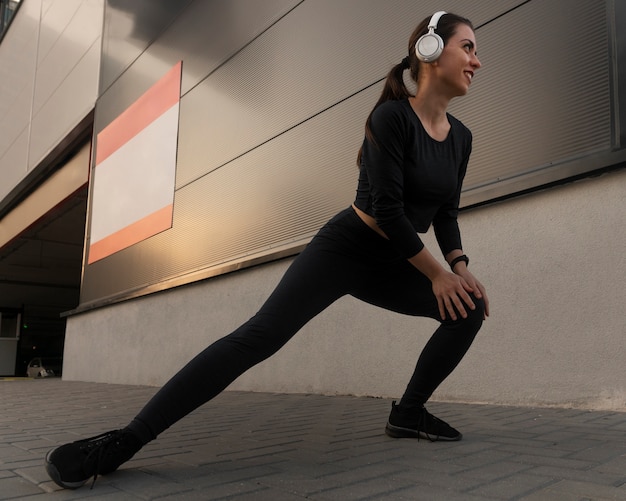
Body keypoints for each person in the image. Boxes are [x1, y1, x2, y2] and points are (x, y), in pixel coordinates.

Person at [45, 11, 488, 490]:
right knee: (259, 337)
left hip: (397, 260)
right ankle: (123, 442)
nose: (477, 62)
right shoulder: (391, 117)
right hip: (346, 248)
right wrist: (437, 274)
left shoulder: (460, 137)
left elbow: (446, 212)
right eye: (468, 47)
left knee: (469, 308)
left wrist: (459, 267)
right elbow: (386, 210)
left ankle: (408, 414)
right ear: (428, 50)